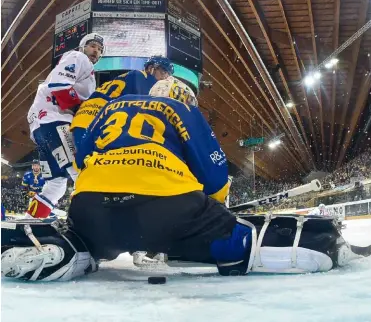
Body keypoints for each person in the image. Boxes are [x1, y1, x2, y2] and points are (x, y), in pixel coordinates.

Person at [1, 77, 352, 281]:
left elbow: (83, 160)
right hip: (168, 209)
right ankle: (309, 243)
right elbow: (215, 179)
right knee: (228, 236)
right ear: (182, 96)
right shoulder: (181, 109)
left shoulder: (109, 109)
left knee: (90, 241)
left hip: (92, 206)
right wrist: (216, 213)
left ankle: (70, 249)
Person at [25, 33, 105, 219]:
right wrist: (83, 110)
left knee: (56, 184)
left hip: (41, 129)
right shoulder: (78, 57)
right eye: (93, 45)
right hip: (56, 122)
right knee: (82, 172)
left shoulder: (78, 61)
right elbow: (59, 86)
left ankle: (30, 223)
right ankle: (93, 224)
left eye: (100, 49)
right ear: (82, 46)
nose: (96, 51)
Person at [70, 55, 174, 149]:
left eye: (167, 75)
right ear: (151, 69)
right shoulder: (144, 78)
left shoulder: (134, 76)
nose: (165, 78)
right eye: (163, 72)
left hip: (87, 116)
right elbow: (146, 109)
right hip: (95, 119)